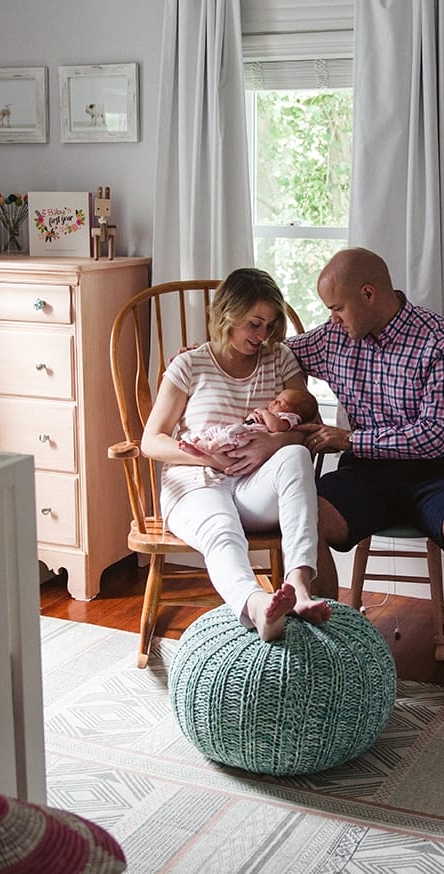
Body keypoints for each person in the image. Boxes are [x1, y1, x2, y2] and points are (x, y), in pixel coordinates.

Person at [284, 247, 444, 723]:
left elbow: (437, 434)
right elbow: (273, 351)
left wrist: (350, 438)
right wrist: (202, 356)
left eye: (337, 308)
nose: (332, 319)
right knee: (303, 515)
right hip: (367, 474)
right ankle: (331, 659)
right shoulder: (334, 339)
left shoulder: (443, 341)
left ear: (369, 294)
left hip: (437, 471)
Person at [139, 268, 331, 641]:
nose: (261, 337)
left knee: (295, 458)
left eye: (270, 326)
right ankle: (257, 606)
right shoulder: (190, 364)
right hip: (196, 482)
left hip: (253, 488)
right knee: (221, 528)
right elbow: (151, 441)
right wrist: (210, 459)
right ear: (227, 314)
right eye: (253, 324)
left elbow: (308, 426)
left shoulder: (280, 361)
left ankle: (301, 586)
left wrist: (272, 444)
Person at [179, 386, 319, 456]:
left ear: (297, 412)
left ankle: (210, 447)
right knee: (216, 430)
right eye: (276, 398)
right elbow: (250, 423)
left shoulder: (290, 418)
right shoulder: (275, 414)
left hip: (249, 439)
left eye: (282, 402)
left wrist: (264, 412)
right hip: (243, 432)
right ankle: (201, 446)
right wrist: (252, 418)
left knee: (233, 432)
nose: (274, 402)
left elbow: (275, 427)